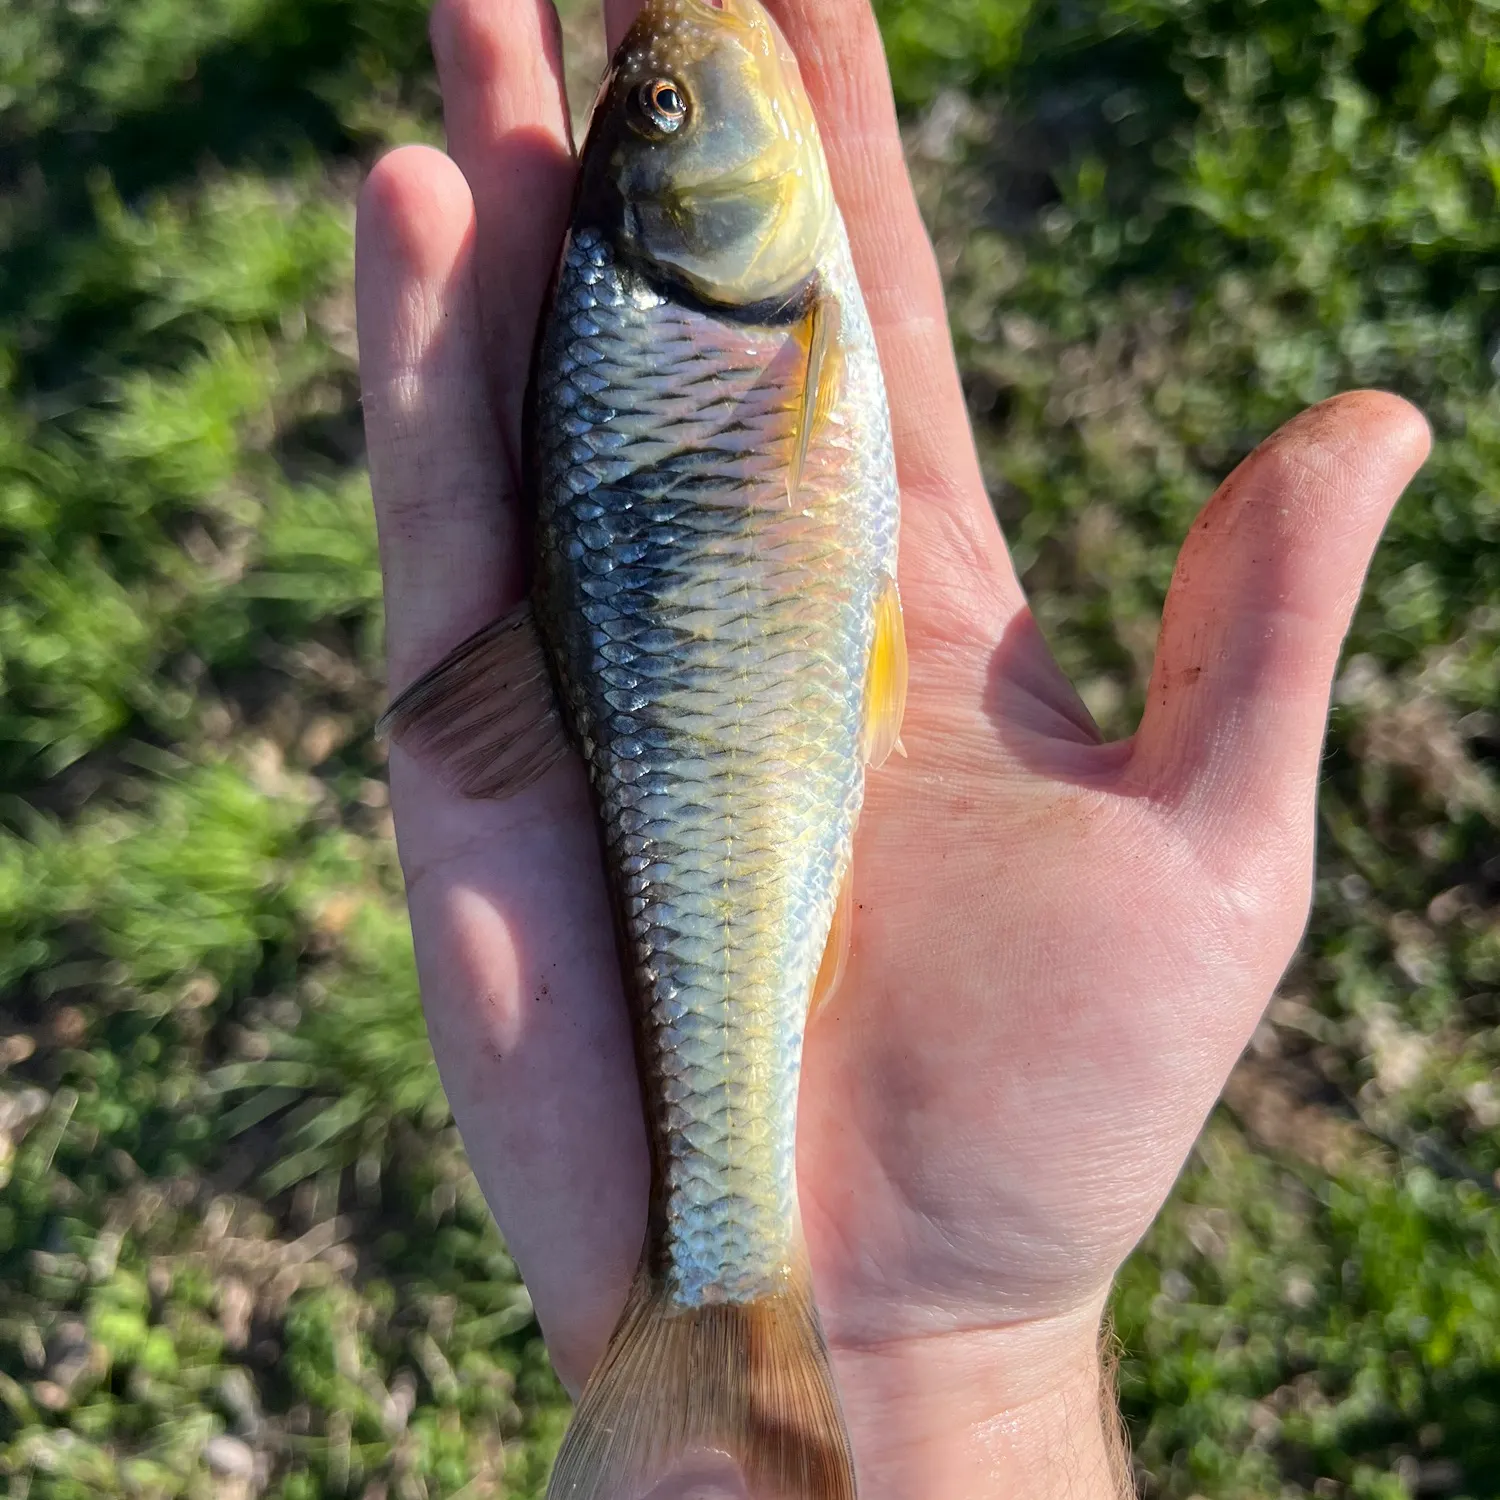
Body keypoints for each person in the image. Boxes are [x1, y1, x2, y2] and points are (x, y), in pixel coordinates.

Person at [353, 1, 1431, 1494]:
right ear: (665, 208)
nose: (689, 76)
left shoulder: (728, 305)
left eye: (651, 103)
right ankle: (722, 1293)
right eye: (667, 112)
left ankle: (722, 1346)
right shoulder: (721, 310)